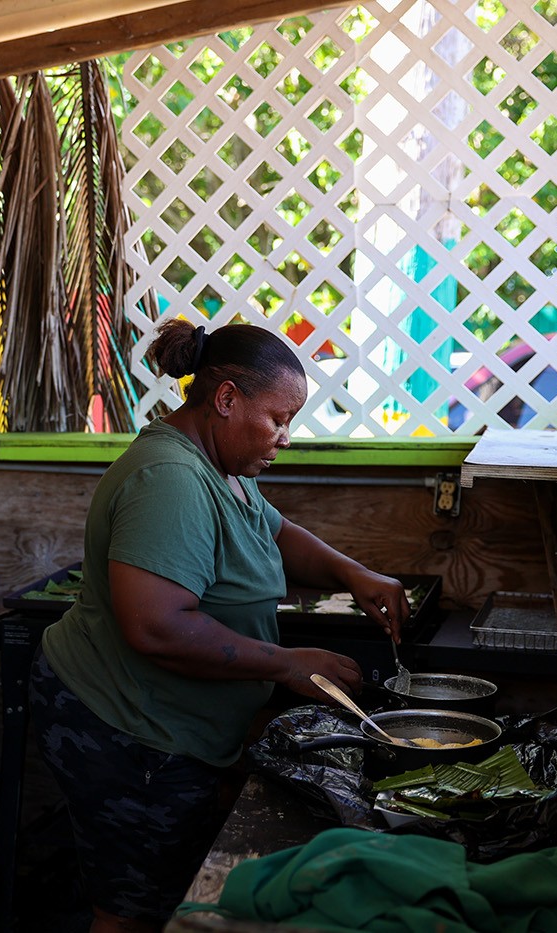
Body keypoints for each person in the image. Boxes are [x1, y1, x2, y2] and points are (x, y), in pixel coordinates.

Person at [30, 317, 410, 933]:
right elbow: (157, 628)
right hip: (128, 731)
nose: (285, 437)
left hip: (177, 729)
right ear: (227, 399)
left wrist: (355, 575)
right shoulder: (170, 480)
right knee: (131, 912)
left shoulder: (221, 466)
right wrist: (288, 663)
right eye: (279, 418)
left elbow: (277, 533)